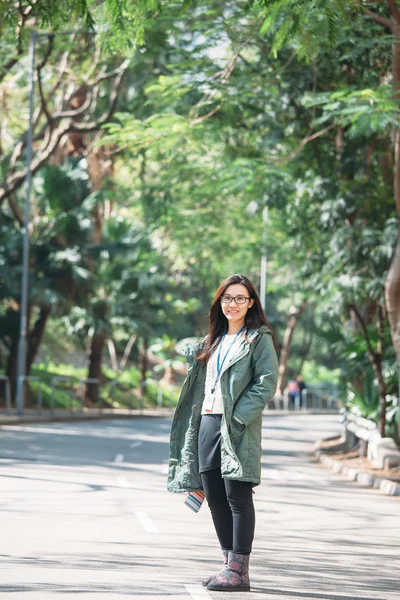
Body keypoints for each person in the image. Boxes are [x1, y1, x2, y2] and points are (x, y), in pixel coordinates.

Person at [167, 274, 279, 592]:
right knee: (214, 496)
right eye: (227, 298)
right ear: (220, 302)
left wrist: (239, 418)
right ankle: (228, 564)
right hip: (207, 422)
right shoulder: (213, 341)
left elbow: (266, 383)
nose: (233, 304)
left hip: (236, 425)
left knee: (237, 496)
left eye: (240, 298)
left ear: (251, 303)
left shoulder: (258, 338)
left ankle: (239, 570)